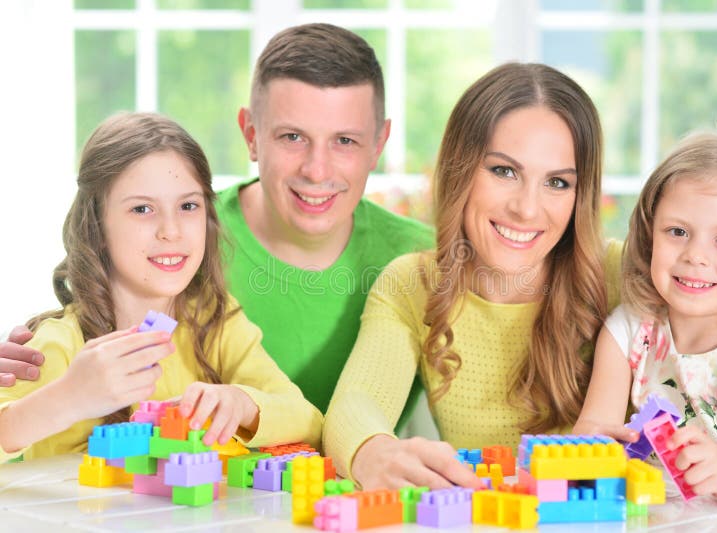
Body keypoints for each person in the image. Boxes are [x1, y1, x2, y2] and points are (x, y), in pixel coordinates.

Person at [0, 24, 432, 427]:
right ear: (250, 135)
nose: (317, 171)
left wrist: (244, 404)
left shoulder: (429, 262)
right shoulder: (192, 241)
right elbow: (81, 324)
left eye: (345, 140)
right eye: (292, 137)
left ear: (379, 143)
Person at [323, 62, 622, 490]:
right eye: (504, 171)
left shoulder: (617, 276)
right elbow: (358, 401)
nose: (527, 208)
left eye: (557, 183)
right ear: (460, 169)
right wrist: (374, 452)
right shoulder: (414, 284)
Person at [0, 112, 322, 462]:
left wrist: (243, 405)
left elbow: (308, 421)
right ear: (97, 225)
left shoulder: (217, 322)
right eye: (142, 208)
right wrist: (69, 397)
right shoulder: (60, 344)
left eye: (188, 206)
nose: (171, 230)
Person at [573, 134, 717, 500]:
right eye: (677, 232)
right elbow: (591, 436)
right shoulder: (629, 329)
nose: (695, 255)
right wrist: (592, 456)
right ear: (650, 239)